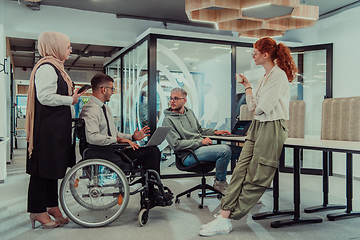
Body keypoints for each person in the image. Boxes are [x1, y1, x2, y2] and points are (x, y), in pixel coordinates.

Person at [199, 37, 298, 237]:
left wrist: (256, 105)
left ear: (265, 54)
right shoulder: (263, 78)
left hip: (272, 127)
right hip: (258, 126)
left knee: (257, 176)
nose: (252, 55)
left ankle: (228, 217)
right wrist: (248, 86)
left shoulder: (278, 76)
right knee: (239, 171)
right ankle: (223, 216)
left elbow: (260, 109)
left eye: (254, 52)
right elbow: (253, 108)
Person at [79, 73, 172, 207]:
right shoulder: (91, 109)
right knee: (151, 153)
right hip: (104, 153)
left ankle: (152, 193)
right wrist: (119, 140)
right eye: (112, 89)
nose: (112, 92)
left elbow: (113, 132)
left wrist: (132, 137)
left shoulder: (105, 108)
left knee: (152, 150)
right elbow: (92, 137)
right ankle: (151, 195)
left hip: (111, 150)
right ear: (103, 89)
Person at [25, 31, 84, 229]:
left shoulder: (57, 68)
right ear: (54, 46)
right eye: (67, 45)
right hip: (46, 130)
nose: (70, 49)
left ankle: (51, 206)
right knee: (42, 171)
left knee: (51, 169)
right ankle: (37, 211)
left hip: (55, 129)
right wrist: (71, 99)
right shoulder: (47, 68)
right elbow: (45, 97)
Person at [163, 87, 232, 195]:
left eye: (175, 98)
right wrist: (200, 143)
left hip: (200, 149)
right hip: (188, 155)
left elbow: (199, 130)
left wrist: (214, 132)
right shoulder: (168, 120)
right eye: (171, 98)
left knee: (231, 149)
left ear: (184, 100)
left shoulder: (189, 112)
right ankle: (220, 182)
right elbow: (176, 145)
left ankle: (225, 182)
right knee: (224, 150)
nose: (172, 101)